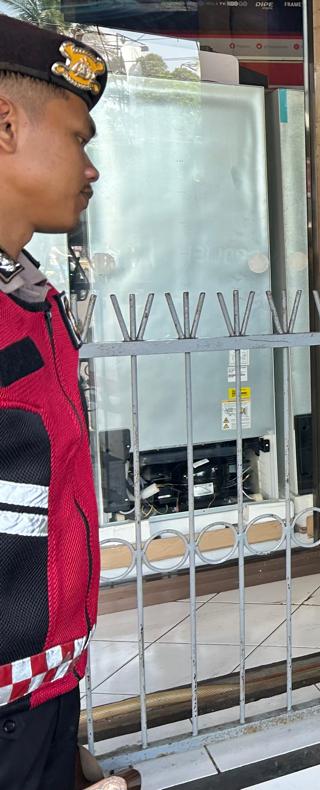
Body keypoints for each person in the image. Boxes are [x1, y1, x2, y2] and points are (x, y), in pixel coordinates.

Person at [0, 15, 106, 790]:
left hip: (39, 695)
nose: (91, 168)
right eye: (78, 139)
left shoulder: (29, 294)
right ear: (6, 126)